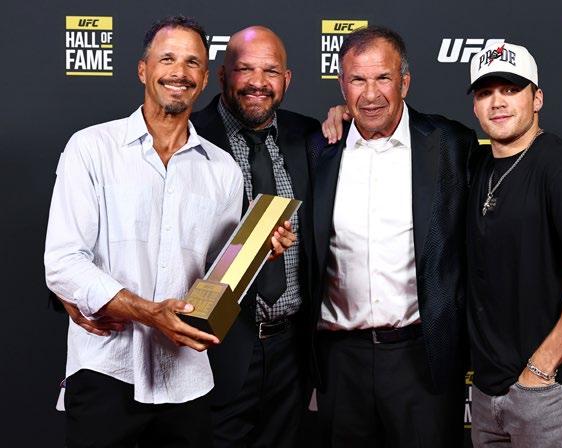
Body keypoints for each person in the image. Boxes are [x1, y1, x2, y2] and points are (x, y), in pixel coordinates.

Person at [44, 16, 293, 448]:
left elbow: (217, 279)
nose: (180, 72)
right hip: (105, 371)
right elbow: (63, 263)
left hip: (187, 382)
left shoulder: (223, 170)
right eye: (168, 59)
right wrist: (148, 312)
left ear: (205, 78)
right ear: (143, 70)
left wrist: (257, 252)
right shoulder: (91, 148)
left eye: (192, 62)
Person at [312, 26, 478, 447]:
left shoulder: (450, 144)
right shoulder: (317, 149)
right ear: (342, 86)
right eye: (358, 80)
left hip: (422, 358)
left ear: (404, 82)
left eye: (382, 78)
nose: (370, 94)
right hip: (339, 362)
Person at [465, 42, 562, 447]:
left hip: (550, 392)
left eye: (510, 89)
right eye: (485, 92)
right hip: (487, 393)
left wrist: (539, 370)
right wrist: (347, 114)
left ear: (537, 98)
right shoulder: (478, 168)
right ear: (475, 107)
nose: (497, 102)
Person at [190, 26, 319, 447]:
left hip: (292, 355)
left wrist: (344, 114)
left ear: (287, 79)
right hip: (217, 350)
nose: (258, 82)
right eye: (245, 69)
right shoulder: (189, 136)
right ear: (222, 75)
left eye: (270, 71)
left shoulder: (309, 136)